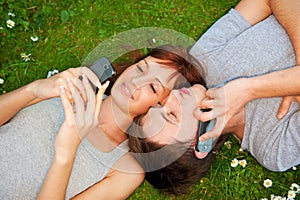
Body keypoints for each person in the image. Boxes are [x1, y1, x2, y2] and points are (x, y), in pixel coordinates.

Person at [128, 0, 300, 195]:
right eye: (172, 115)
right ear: (202, 143)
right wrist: (250, 89)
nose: (171, 97)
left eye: (159, 105)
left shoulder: (201, 61)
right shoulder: (273, 148)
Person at [0, 45, 204, 199]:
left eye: (152, 88)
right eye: (141, 69)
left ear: (161, 106)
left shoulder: (126, 169)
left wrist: (66, 153)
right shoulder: (78, 87)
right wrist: (32, 90)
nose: (135, 81)